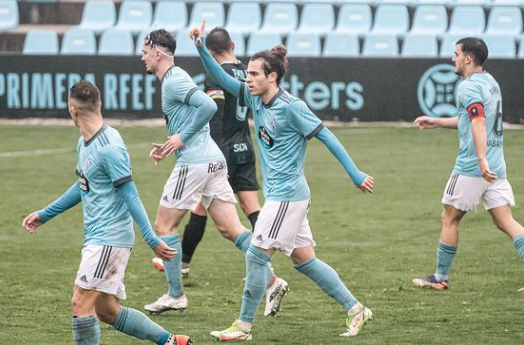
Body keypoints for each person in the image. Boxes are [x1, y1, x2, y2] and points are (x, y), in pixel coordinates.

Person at [190, 22, 375, 341]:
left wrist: (355, 173)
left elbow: (327, 137)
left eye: (253, 74)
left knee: (256, 254)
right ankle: (357, 310)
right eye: (247, 74)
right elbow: (220, 78)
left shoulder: (293, 108)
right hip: (287, 195)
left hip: (287, 196)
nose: (246, 79)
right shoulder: (253, 97)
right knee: (305, 261)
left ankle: (243, 326)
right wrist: (199, 48)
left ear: (271, 77)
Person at [21, 80, 192, 345]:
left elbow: (131, 195)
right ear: (99, 104)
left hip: (109, 240)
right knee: (107, 310)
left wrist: (151, 240)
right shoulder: (85, 143)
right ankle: (172, 341)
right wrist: (46, 213)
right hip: (98, 239)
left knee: (80, 302)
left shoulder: (110, 146)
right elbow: (85, 184)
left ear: (72, 110)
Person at [141, 29, 288, 317]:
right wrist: (172, 144)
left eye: (145, 53)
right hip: (213, 161)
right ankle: (272, 280)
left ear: (157, 53)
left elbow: (208, 106)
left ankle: (175, 295)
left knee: (163, 227)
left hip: (195, 163)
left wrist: (180, 139)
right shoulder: (175, 79)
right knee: (231, 229)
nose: (143, 58)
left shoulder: (174, 80)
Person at [412, 37, 524, 290]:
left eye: (455, 54)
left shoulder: (468, 87)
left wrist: (480, 159)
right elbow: (470, 118)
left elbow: (478, 123)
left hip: (473, 167)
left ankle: (439, 279)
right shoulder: (491, 83)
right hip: (496, 166)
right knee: (506, 221)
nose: (453, 58)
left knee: (449, 218)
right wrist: (436, 121)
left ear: (468, 58)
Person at [170, 27, 262, 279]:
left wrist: (217, 155)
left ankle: (183, 264)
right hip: (246, 146)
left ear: (209, 52)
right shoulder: (249, 71)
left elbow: (216, 115)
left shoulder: (217, 74)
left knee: (200, 208)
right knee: (252, 208)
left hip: (225, 149)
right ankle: (262, 259)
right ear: (233, 44)